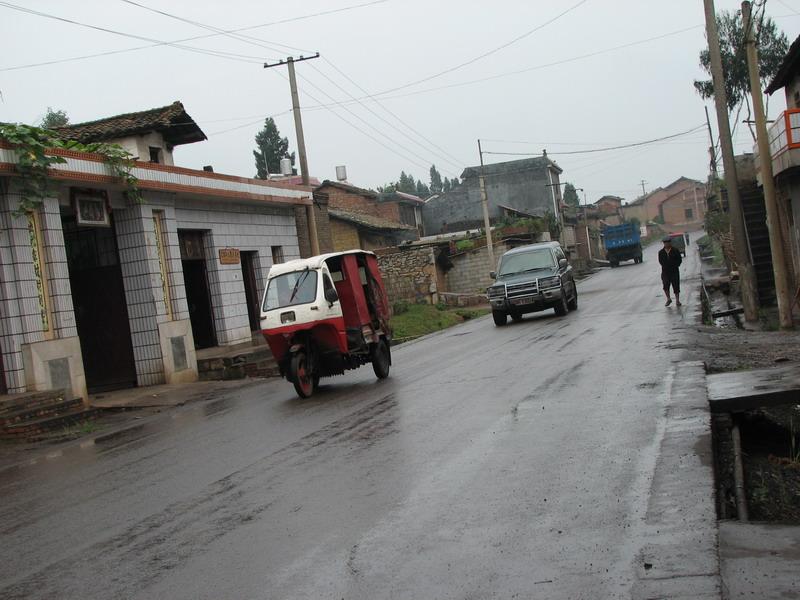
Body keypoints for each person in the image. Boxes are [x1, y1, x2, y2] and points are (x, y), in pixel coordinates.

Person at [658, 235, 682, 307]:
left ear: (670, 243)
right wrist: (666, 266)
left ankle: (677, 300)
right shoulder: (661, 252)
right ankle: (668, 299)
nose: (666, 244)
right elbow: (660, 261)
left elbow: (679, 260)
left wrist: (675, 265)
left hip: (674, 271)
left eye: (668, 242)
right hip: (665, 272)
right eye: (665, 242)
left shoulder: (675, 250)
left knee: (676, 285)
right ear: (663, 243)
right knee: (665, 285)